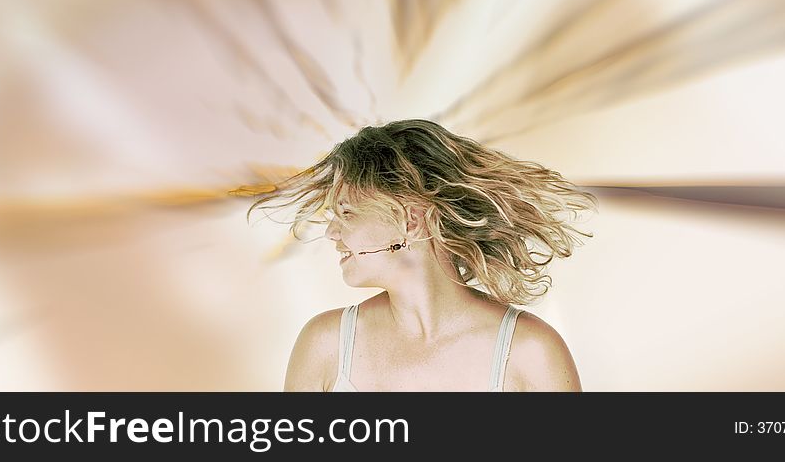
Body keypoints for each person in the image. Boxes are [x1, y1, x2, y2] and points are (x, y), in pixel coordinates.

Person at [244, 119, 598, 391]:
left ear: (412, 220)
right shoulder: (325, 346)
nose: (332, 232)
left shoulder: (530, 352)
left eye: (347, 213)